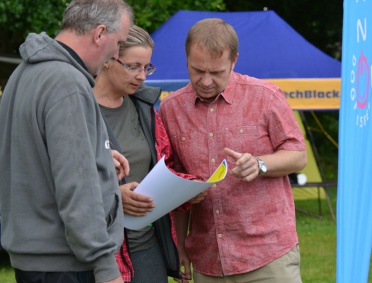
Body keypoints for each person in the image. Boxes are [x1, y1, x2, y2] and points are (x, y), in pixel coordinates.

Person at [159, 18, 307, 283]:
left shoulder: (267, 97)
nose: (205, 81)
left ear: (234, 61)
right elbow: (174, 183)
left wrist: (261, 164)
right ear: (187, 58)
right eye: (197, 70)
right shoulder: (171, 109)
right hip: (207, 259)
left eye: (216, 72)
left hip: (267, 256)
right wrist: (180, 246)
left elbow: (298, 155)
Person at [0, 1, 133, 283]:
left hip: (34, 259)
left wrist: (94, 154)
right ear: (99, 34)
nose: (116, 54)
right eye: (119, 43)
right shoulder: (67, 82)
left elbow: (31, 155)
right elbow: (77, 186)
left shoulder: (23, 73)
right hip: (65, 262)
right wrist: (106, 268)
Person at [93, 25, 198, 283]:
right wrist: (113, 197)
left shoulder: (145, 108)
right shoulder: (78, 107)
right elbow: (54, 179)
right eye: (132, 66)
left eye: (147, 67)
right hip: (98, 251)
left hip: (145, 247)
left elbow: (165, 166)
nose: (141, 76)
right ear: (107, 60)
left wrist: (188, 187)